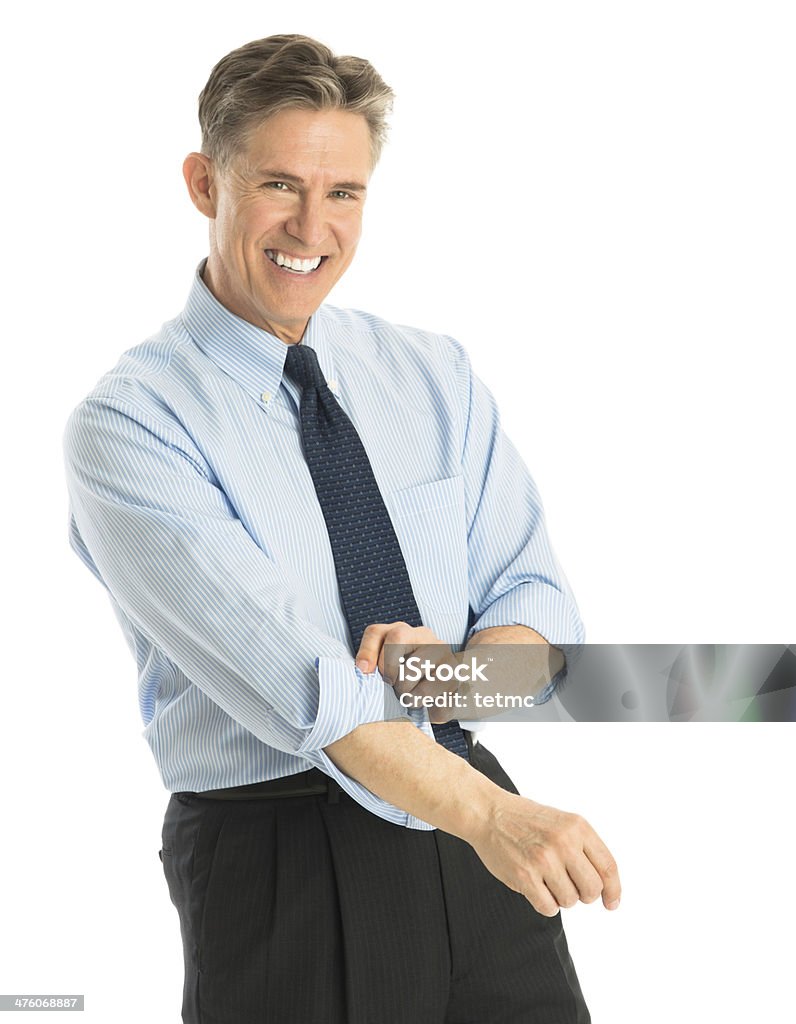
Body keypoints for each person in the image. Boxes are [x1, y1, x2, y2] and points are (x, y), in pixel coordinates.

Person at [64, 34, 619, 1024]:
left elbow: (538, 618)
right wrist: (491, 812)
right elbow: (305, 684)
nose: (311, 226)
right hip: (283, 851)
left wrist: (448, 676)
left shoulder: (432, 375)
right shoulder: (132, 425)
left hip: (480, 826)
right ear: (205, 182)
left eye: (344, 193)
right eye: (279, 184)